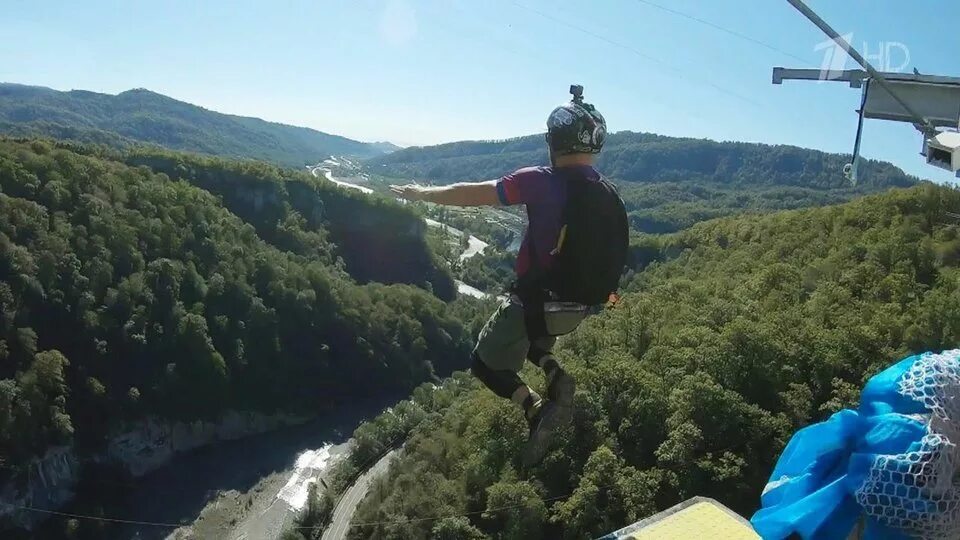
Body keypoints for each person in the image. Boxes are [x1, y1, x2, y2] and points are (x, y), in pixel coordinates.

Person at [390, 85, 628, 464]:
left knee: (484, 363)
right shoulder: (607, 192)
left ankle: (535, 407)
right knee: (532, 345)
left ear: (553, 141)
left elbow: (472, 193)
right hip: (577, 310)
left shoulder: (539, 180)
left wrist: (422, 194)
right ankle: (554, 372)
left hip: (535, 304)